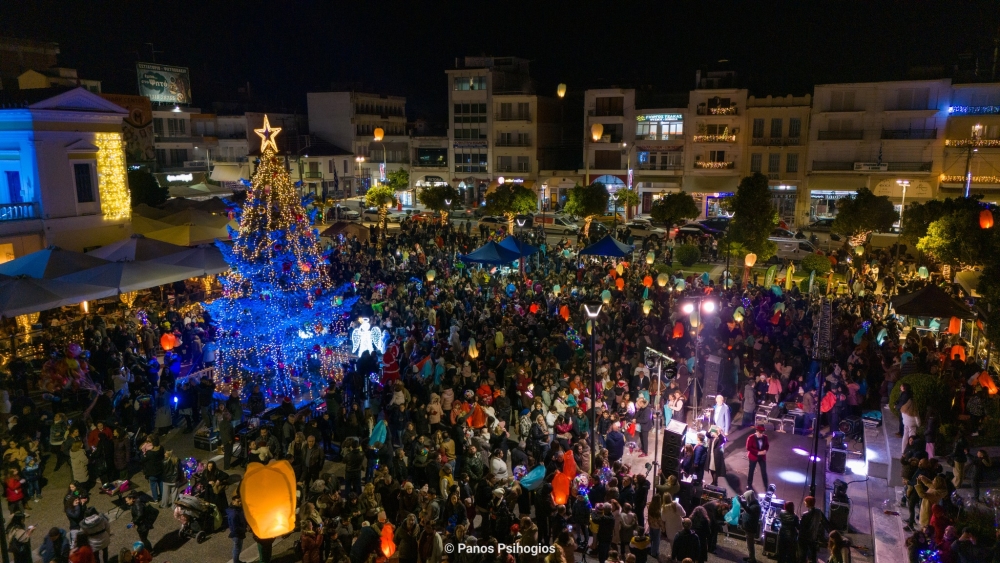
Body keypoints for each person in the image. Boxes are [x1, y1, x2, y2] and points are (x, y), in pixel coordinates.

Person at [798, 496, 829, 563]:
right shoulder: (819, 511)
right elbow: (825, 522)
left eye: (805, 501)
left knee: (803, 555)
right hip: (813, 537)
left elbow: (801, 527)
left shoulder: (805, 515)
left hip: (804, 538)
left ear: (808, 503)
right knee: (813, 554)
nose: (804, 502)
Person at [737, 490, 761, 563]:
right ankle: (750, 556)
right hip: (748, 528)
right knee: (749, 544)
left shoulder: (756, 506)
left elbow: (748, 511)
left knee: (750, 545)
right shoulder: (752, 504)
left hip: (751, 529)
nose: (746, 500)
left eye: (746, 498)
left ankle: (752, 559)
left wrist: (740, 501)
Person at [745, 425, 769, 490]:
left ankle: (766, 486)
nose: (761, 434)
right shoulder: (751, 437)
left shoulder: (765, 437)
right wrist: (758, 452)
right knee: (751, 470)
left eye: (762, 433)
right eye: (760, 432)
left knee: (764, 471)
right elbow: (748, 447)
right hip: (753, 456)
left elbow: (767, 446)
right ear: (756, 431)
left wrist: (765, 451)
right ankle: (749, 485)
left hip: (762, 457)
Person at [227, 495, 247, 563]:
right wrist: (244, 529)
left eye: (241, 501)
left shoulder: (237, 509)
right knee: (237, 549)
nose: (240, 503)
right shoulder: (234, 513)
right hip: (237, 534)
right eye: (238, 501)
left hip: (238, 533)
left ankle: (237, 561)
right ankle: (236, 562)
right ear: (233, 502)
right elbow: (235, 527)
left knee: (236, 548)